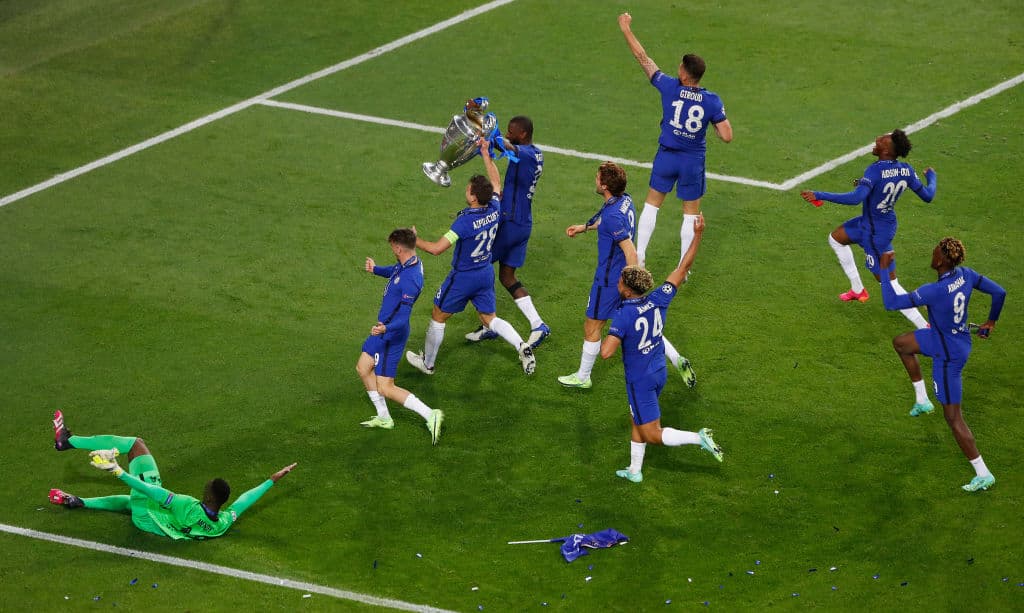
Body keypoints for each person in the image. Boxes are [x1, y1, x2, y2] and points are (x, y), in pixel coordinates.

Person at [878, 238, 1006, 492]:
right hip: (951, 338)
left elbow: (891, 303)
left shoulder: (933, 291)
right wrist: (991, 322)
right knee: (902, 344)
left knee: (953, 417)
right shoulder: (966, 275)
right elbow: (999, 292)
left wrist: (884, 269)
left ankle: (983, 473)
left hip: (947, 355)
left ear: (940, 262)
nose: (932, 254)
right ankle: (922, 400)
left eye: (935, 252)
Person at [602, 215, 722, 483]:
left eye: (621, 281)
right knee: (636, 418)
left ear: (628, 291)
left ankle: (698, 438)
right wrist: (698, 234)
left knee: (652, 433)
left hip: (640, 379)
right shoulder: (658, 298)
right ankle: (634, 470)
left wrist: (608, 332)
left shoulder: (624, 315)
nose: (618, 283)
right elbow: (683, 267)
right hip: (658, 371)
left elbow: (606, 353)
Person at [48, 411, 296, 539]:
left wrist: (118, 471)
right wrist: (271, 480)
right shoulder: (220, 524)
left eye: (208, 487)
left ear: (210, 497)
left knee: (136, 444)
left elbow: (151, 491)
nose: (205, 486)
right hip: (155, 523)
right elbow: (243, 502)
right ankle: (79, 502)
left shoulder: (186, 505)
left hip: (148, 514)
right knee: (131, 502)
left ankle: (67, 441)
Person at [558, 161, 695, 389]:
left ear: (604, 186)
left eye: (597, 178)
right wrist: (584, 227)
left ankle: (582, 377)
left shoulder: (613, 216)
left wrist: (631, 284)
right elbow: (610, 222)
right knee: (642, 320)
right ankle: (677, 358)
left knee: (592, 326)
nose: (595, 180)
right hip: (620, 279)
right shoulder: (625, 200)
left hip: (610, 280)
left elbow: (630, 250)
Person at [406, 139, 536, 376]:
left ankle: (428, 364)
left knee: (438, 315)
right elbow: (496, 182)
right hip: (485, 273)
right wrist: (485, 153)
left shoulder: (464, 222)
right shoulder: (495, 208)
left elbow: (437, 249)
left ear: (474, 197)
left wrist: (414, 241)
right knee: (489, 318)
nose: (465, 190)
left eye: (468, 189)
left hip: (463, 277)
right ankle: (521, 345)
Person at [618, 12, 733, 268]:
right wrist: (712, 124)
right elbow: (727, 136)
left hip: (667, 156)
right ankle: (682, 266)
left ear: (684, 73)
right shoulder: (712, 100)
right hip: (692, 161)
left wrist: (626, 29)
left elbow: (643, 58)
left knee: (652, 205)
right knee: (690, 214)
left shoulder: (669, 86)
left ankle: (640, 255)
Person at [800, 129, 937, 329]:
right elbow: (928, 196)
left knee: (890, 284)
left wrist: (820, 194)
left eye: (881, 140)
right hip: (877, 222)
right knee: (836, 238)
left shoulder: (875, 170)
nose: (877, 140)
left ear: (887, 151)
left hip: (874, 234)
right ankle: (857, 289)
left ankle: (925, 326)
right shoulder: (906, 170)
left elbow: (856, 198)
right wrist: (932, 178)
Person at [465, 116, 551, 349]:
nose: (509, 135)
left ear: (523, 134)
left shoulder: (526, 153)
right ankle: (538, 325)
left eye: (512, 132)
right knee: (506, 276)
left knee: (476, 267)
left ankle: (489, 324)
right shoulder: (536, 153)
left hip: (510, 223)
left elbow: (507, 146)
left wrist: (489, 135)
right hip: (522, 223)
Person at [356, 228, 444, 444]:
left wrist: (386, 330)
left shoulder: (411, 279)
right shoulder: (409, 261)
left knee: (385, 387)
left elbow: (404, 317)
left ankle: (430, 414)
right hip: (382, 329)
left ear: (398, 248)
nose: (392, 250)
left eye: (392, 247)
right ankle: (384, 417)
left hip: (391, 333)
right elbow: (394, 272)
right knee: (363, 368)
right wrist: (376, 269)